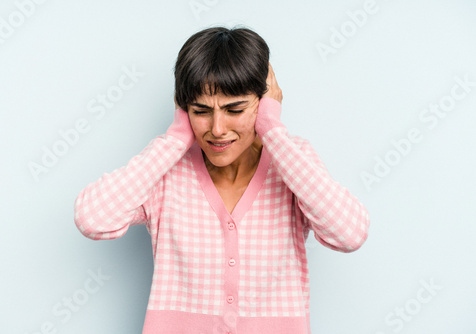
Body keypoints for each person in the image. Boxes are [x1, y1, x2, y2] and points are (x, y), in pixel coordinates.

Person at [74, 26, 370, 334]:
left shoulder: (290, 162)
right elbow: (92, 219)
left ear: (263, 101)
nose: (217, 128)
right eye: (201, 111)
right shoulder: (167, 170)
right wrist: (176, 139)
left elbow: (350, 233)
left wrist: (272, 130)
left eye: (235, 109)